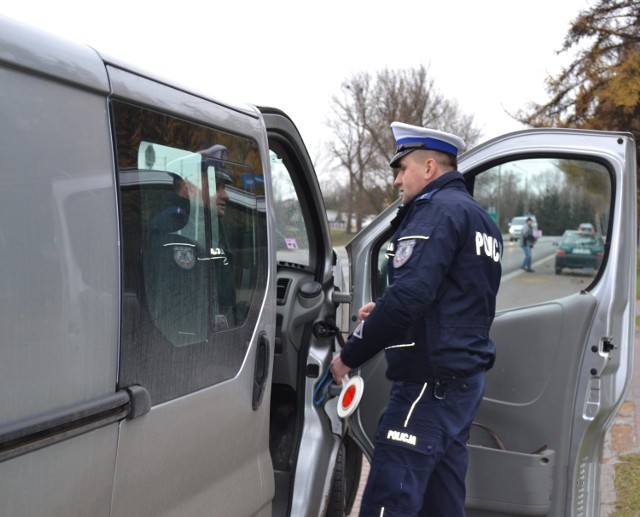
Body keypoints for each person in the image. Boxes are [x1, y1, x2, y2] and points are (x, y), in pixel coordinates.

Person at [331, 122, 502, 516]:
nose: (396, 180)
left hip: (428, 386)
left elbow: (410, 298)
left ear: (428, 168)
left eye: (401, 168)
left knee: (388, 501)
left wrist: (349, 356)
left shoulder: (434, 211)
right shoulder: (481, 220)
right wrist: (391, 309)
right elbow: (456, 300)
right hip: (462, 384)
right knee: (441, 503)